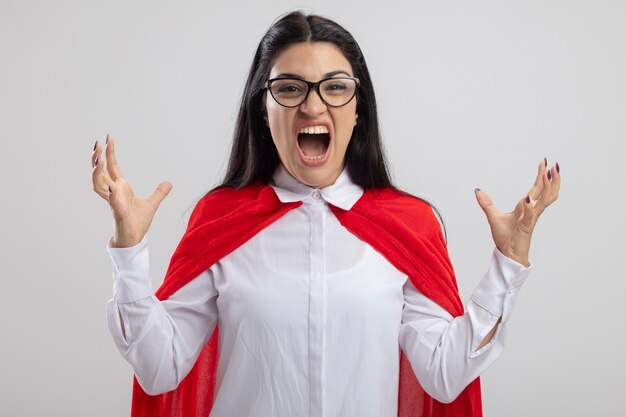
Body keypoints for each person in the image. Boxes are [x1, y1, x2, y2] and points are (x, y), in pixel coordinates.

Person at [91, 11, 560, 417]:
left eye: (335, 87)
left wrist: (507, 265)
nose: (313, 105)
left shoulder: (408, 225)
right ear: (263, 109)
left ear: (357, 110)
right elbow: (159, 369)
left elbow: (443, 374)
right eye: (290, 88)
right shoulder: (220, 220)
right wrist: (129, 252)